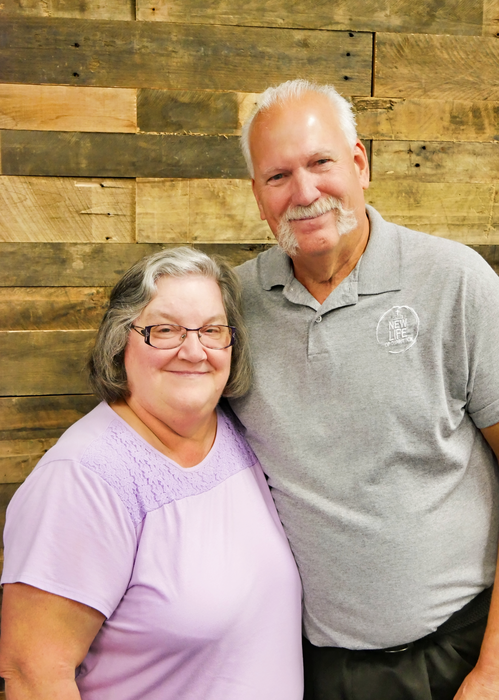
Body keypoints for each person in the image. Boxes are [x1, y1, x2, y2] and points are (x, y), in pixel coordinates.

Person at [229, 79, 499, 700]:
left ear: (359, 164)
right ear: (258, 196)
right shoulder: (231, 308)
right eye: (278, 176)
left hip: (457, 654)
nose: (304, 193)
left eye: (321, 162)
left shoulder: (455, 282)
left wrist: (492, 672)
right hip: (308, 666)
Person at [0, 247, 303, 700]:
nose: (194, 351)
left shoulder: (239, 433)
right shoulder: (83, 480)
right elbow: (32, 674)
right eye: (165, 330)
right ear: (119, 341)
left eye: (212, 330)